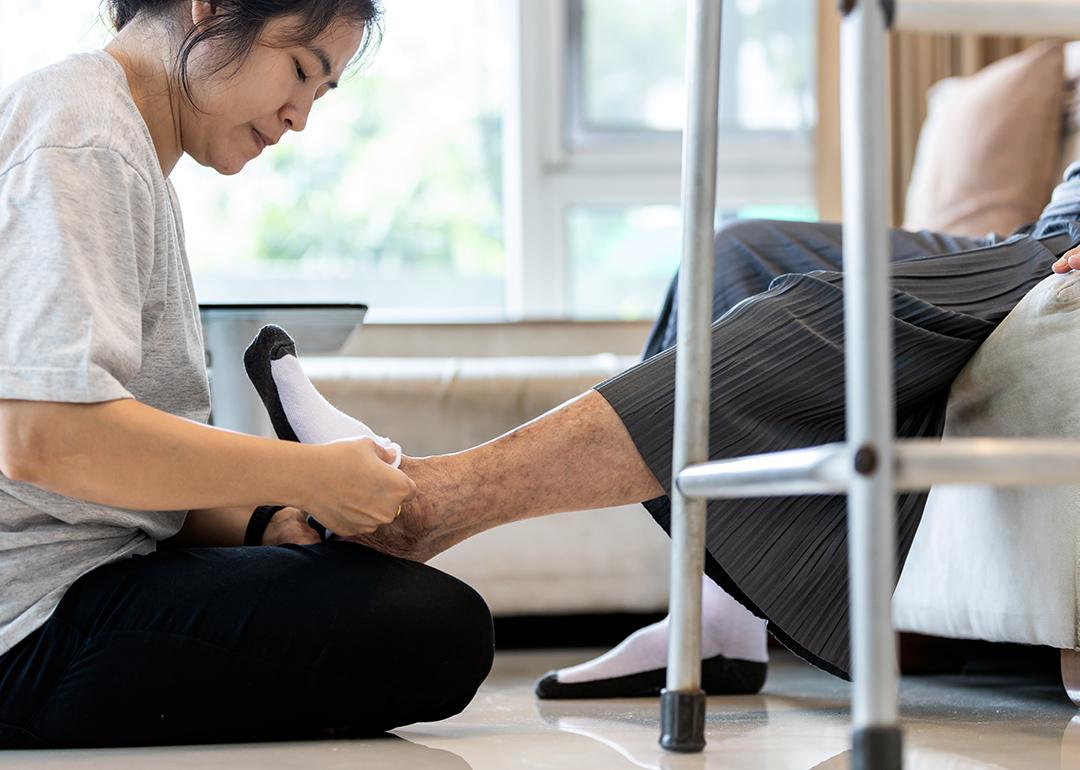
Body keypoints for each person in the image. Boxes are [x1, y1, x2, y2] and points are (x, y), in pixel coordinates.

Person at [237, 167, 1080, 697]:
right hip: (1048, 217)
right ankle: (718, 621)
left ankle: (431, 502)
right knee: (738, 250)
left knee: (820, 312)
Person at [0, 0, 497, 749]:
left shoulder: (113, 139)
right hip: (30, 625)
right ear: (212, 9)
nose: (300, 117)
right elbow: (44, 437)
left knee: (399, 608)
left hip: (75, 580)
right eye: (300, 70)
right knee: (435, 628)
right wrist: (310, 474)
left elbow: (109, 484)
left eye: (321, 94)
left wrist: (264, 521)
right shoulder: (84, 139)